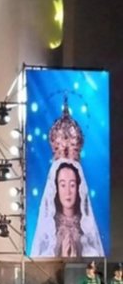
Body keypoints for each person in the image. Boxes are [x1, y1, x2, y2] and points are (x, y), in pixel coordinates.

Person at [30, 101, 104, 258]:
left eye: (72, 184)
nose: (68, 192)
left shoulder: (86, 225)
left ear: (79, 187)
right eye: (62, 185)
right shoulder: (48, 226)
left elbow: (95, 260)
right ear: (55, 188)